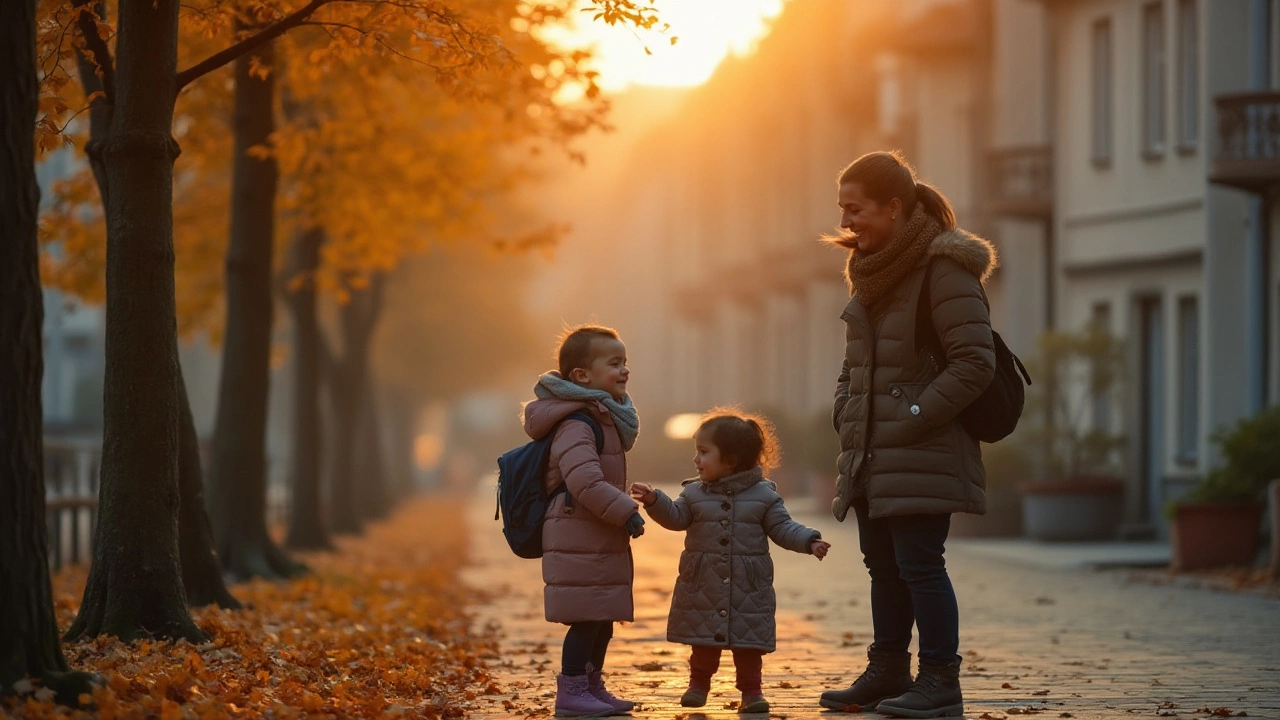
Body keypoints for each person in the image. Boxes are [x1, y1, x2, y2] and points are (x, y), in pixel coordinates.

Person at [818, 151, 997, 718]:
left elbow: (975, 362)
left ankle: (940, 680)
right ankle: (888, 669)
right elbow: (857, 365)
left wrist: (914, 416)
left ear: (894, 207)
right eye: (842, 209)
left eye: (856, 209)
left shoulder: (944, 270)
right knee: (883, 564)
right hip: (873, 449)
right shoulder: (872, 270)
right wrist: (847, 410)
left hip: (922, 446)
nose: (847, 222)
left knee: (920, 563)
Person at [630, 409, 832, 715]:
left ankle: (751, 692)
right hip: (704, 582)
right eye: (695, 452)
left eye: (703, 452)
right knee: (703, 641)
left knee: (749, 645)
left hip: (748, 585)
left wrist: (809, 540)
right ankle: (698, 685)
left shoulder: (764, 496)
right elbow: (676, 518)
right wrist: (656, 501)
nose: (696, 460)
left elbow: (782, 527)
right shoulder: (693, 494)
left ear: (731, 459)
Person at [522, 324, 647, 718]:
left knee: (602, 617)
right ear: (581, 375)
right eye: (614, 363)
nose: (624, 369)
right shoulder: (579, 422)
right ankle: (572, 689)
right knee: (585, 619)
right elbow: (585, 481)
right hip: (578, 529)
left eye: (625, 362)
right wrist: (625, 510)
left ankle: (592, 687)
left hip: (593, 530)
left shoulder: (602, 415)